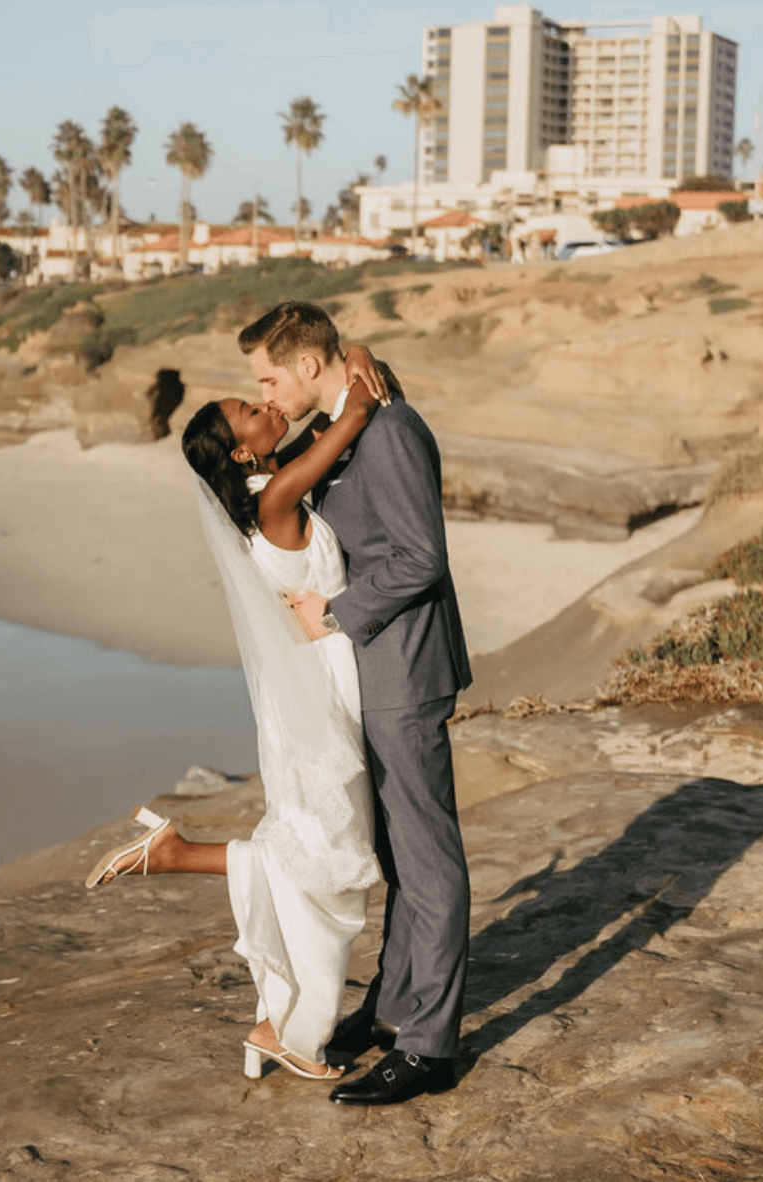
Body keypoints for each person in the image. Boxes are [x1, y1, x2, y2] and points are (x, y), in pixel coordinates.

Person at [87, 346, 387, 1081]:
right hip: (321, 691)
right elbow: (352, 416)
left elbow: (340, 400)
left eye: (256, 398)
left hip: (310, 690)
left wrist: (337, 369)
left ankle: (268, 1014)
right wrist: (348, 372)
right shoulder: (278, 497)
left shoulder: (268, 493)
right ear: (240, 448)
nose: (265, 406)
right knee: (335, 867)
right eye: (250, 412)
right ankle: (296, 1031)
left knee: (314, 848)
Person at [238, 301, 472, 1107]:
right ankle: (394, 1005)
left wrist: (333, 612)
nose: (265, 393)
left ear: (308, 365)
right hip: (369, 676)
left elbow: (420, 558)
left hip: (404, 671)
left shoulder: (392, 430)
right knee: (402, 856)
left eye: (271, 375)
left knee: (428, 858)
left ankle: (431, 1047)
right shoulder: (342, 421)